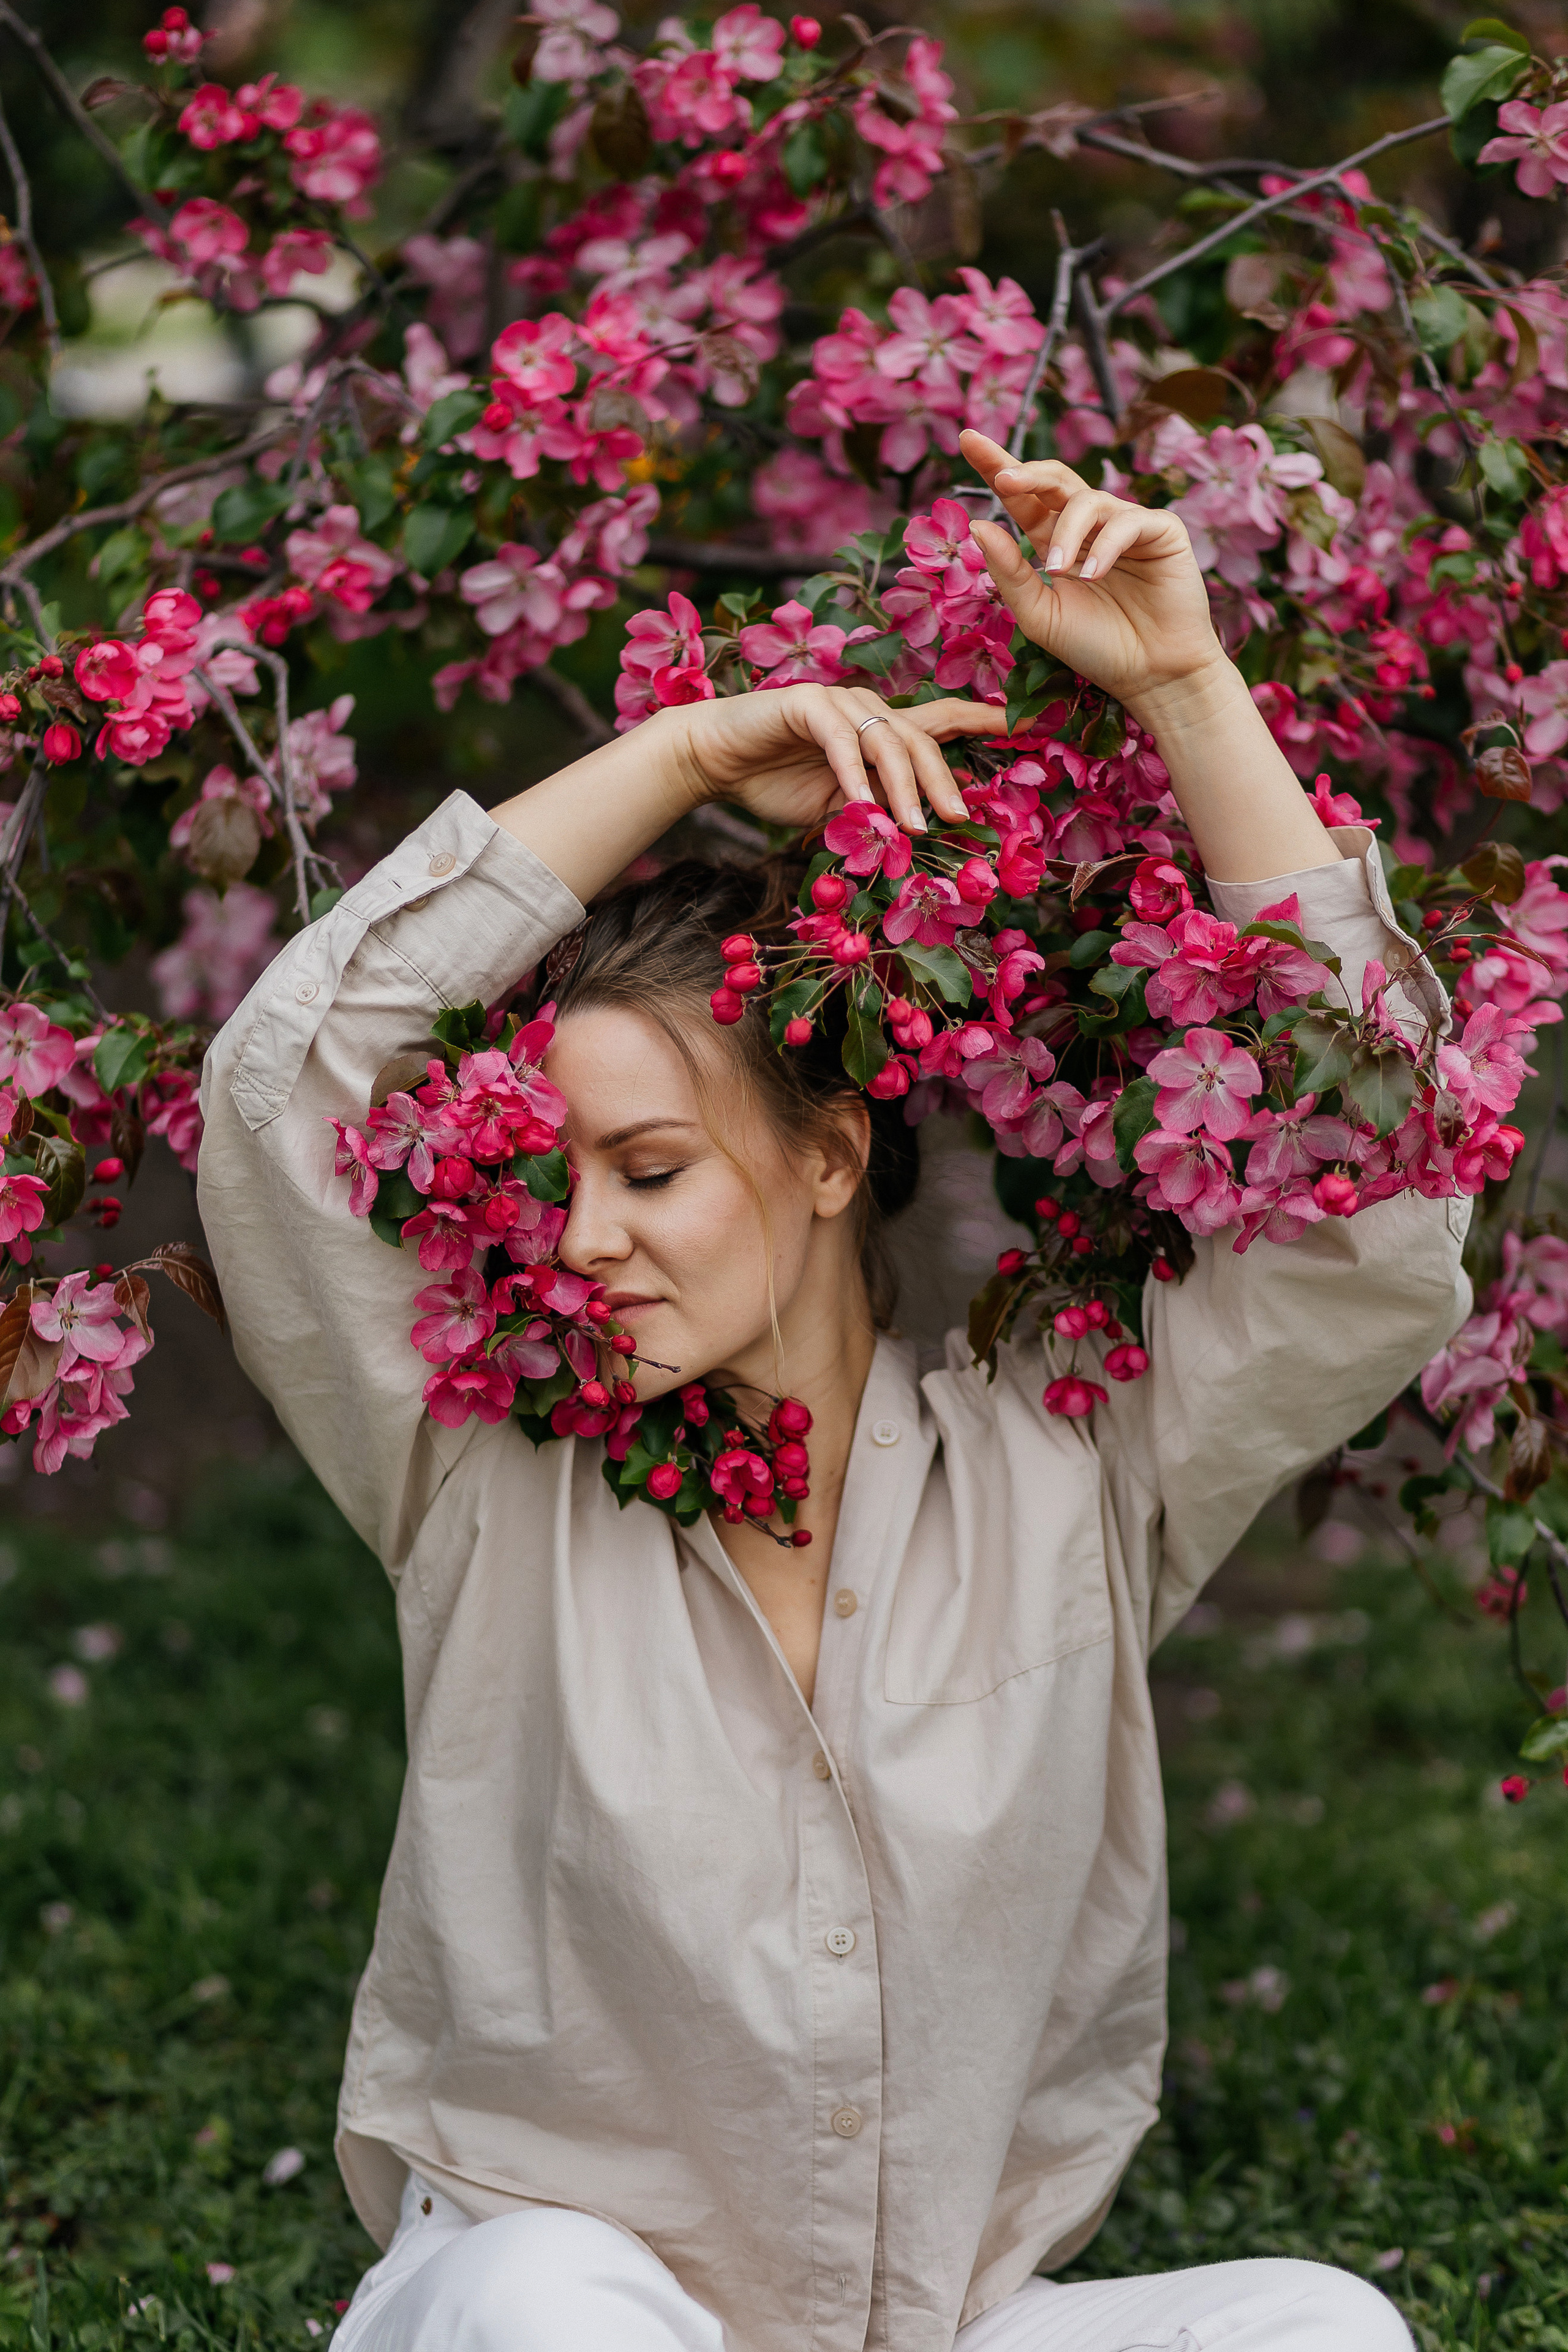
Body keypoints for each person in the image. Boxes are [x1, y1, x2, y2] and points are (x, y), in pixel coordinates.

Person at [198, 433, 1467, 2352]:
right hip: (549, 2304)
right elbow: (276, 1097)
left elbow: (1376, 1217)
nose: (582, 1239)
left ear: (824, 1159)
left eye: (646, 1169)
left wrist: (1193, 692)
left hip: (926, 2323)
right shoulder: (483, 1464)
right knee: (554, 2311)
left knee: (1323, 2329)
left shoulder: (1071, 1473)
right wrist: (692, 756)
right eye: (551, 1181)